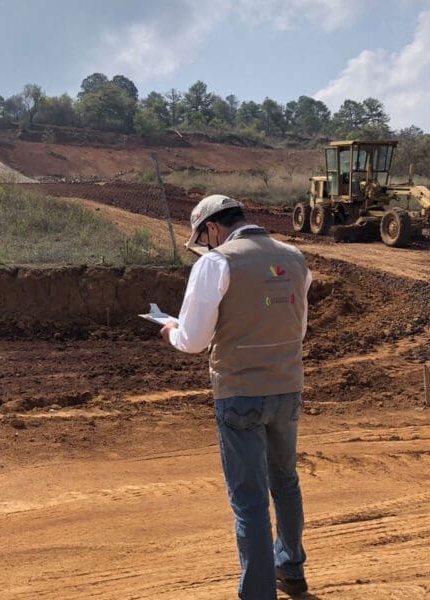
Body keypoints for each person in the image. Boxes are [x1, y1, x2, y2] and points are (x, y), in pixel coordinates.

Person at [160, 194, 312, 599]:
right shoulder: (295, 258)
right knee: (285, 481)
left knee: (249, 499)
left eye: (204, 237)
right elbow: (297, 328)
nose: (206, 244)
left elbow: (193, 341)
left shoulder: (216, 263)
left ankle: (258, 592)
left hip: (240, 392)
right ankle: (291, 569)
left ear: (212, 228)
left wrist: (171, 332)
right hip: (287, 387)